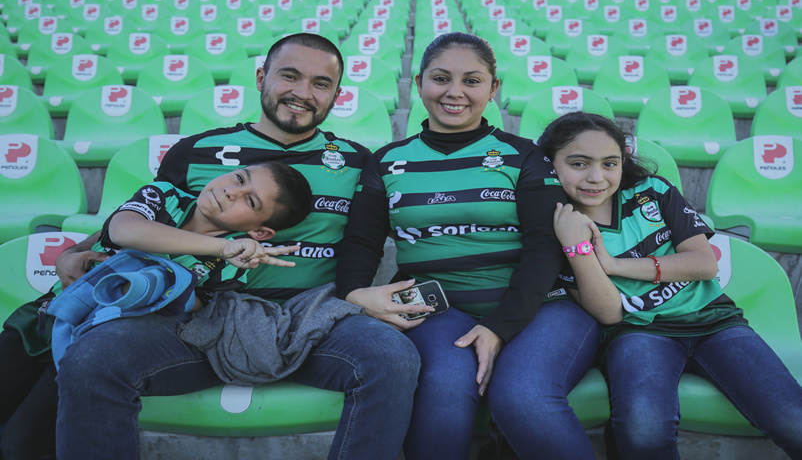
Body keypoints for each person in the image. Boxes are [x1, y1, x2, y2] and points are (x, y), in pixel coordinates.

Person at [52, 33, 424, 460]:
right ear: (262, 77)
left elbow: (369, 239)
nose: (303, 93)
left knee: (392, 357)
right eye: (289, 76)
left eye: (321, 84)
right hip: (196, 317)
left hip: (312, 319)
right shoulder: (195, 151)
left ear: (336, 96)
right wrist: (73, 251)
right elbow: (147, 214)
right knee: (92, 359)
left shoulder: (358, 161)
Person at [335, 32, 601, 459]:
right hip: (438, 307)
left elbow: (544, 247)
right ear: (419, 83)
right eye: (441, 78)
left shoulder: (524, 156)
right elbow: (362, 242)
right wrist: (353, 292)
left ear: (494, 89)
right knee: (443, 388)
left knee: (523, 396)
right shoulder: (385, 161)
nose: (454, 92)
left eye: (472, 81)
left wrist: (499, 327)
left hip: (542, 307)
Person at [0, 162, 308, 460]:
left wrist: (174, 283)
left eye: (250, 202)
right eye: (239, 179)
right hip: (44, 317)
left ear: (259, 233)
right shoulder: (165, 195)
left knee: (19, 444)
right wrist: (221, 248)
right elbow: (123, 230)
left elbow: (188, 307)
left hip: (87, 340)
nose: (231, 192)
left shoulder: (234, 265)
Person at [538, 111, 802, 459]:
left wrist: (616, 265)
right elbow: (610, 312)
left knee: (793, 420)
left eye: (609, 163)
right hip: (637, 332)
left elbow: (704, 263)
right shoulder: (555, 225)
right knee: (643, 432)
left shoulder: (654, 191)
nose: (596, 177)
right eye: (578, 163)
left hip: (713, 322)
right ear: (549, 164)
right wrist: (578, 248)